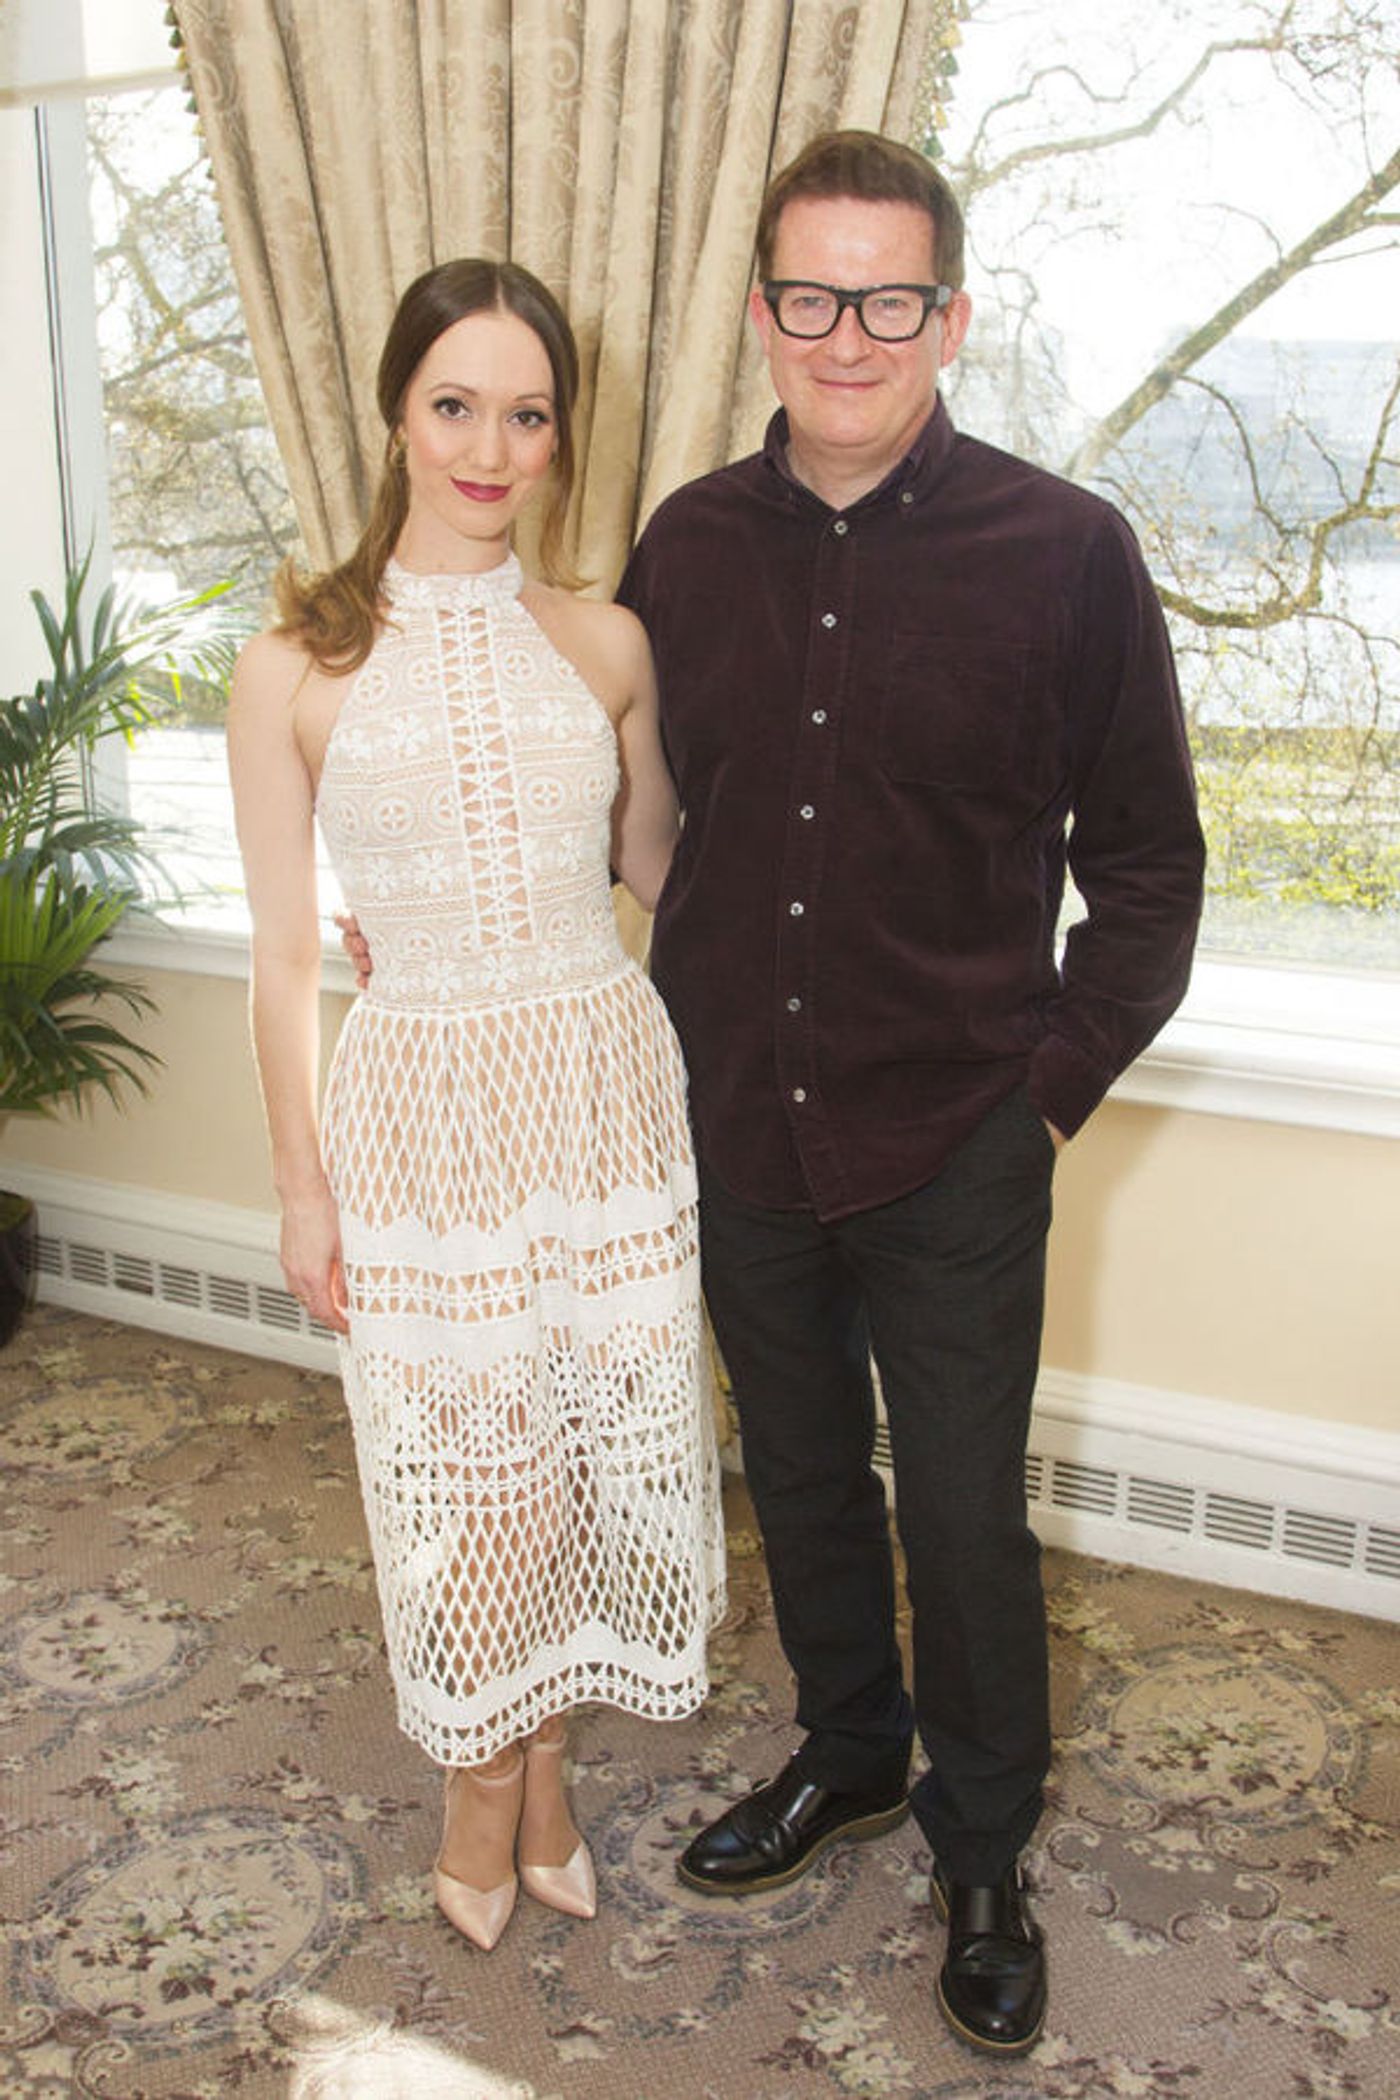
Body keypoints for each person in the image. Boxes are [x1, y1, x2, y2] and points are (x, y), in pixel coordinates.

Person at [614, 131, 1205, 2057]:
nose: (846, 334)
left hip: (957, 1130)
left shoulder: (1067, 552)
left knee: (960, 1513)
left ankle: (980, 1847)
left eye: (888, 298)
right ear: (762, 311)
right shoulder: (685, 547)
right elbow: (639, 825)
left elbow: (1149, 872)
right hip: (742, 1118)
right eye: (810, 294)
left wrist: (1039, 1094)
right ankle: (850, 1754)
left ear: (949, 315)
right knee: (798, 1478)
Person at [227, 258, 724, 1956]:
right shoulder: (293, 661)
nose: (490, 447)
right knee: (474, 1473)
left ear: (560, 434)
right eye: (456, 405)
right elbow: (286, 953)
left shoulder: (606, 639)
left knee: (580, 1455)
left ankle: (541, 1778)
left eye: (526, 413)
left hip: (601, 1085)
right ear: (394, 414)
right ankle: (487, 1792)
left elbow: (665, 871)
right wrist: (303, 1189)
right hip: (420, 1108)